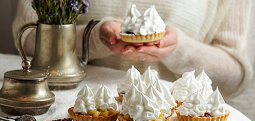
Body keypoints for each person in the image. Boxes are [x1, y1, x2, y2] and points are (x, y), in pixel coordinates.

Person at [13, 0, 253, 98]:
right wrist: (93, 37)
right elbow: (25, 39)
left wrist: (180, 49)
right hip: (76, 113)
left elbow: (235, 79)